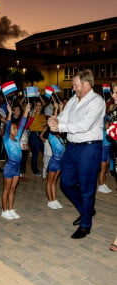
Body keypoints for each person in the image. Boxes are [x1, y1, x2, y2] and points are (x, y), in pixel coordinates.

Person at [48, 69, 105, 239]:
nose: (73, 88)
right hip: (72, 147)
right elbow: (64, 117)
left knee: (87, 188)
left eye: (76, 85)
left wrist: (61, 127)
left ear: (86, 84)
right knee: (66, 183)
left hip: (89, 148)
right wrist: (56, 120)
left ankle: (86, 225)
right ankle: (86, 210)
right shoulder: (73, 99)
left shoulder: (97, 101)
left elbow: (85, 125)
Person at [1, 103, 31, 219]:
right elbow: (8, 125)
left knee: (13, 189)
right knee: (7, 189)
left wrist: (26, 111)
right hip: (9, 167)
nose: (16, 129)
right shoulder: (6, 139)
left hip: (17, 168)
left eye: (16, 128)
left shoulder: (17, 138)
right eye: (14, 128)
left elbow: (23, 123)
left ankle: (11, 209)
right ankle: (4, 210)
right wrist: (9, 113)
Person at [41, 103, 65, 209]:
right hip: (54, 161)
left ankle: (54, 199)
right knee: (50, 181)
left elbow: (60, 121)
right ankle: (50, 200)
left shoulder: (62, 136)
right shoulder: (51, 135)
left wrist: (61, 109)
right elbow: (54, 121)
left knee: (55, 181)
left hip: (61, 162)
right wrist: (56, 109)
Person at [29, 100, 47, 176]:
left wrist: (44, 125)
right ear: (35, 106)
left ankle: (47, 168)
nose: (39, 107)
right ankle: (35, 170)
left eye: (40, 105)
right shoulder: (32, 114)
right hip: (34, 135)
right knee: (35, 153)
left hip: (42, 135)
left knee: (45, 151)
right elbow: (30, 125)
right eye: (37, 105)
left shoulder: (43, 115)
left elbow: (45, 125)